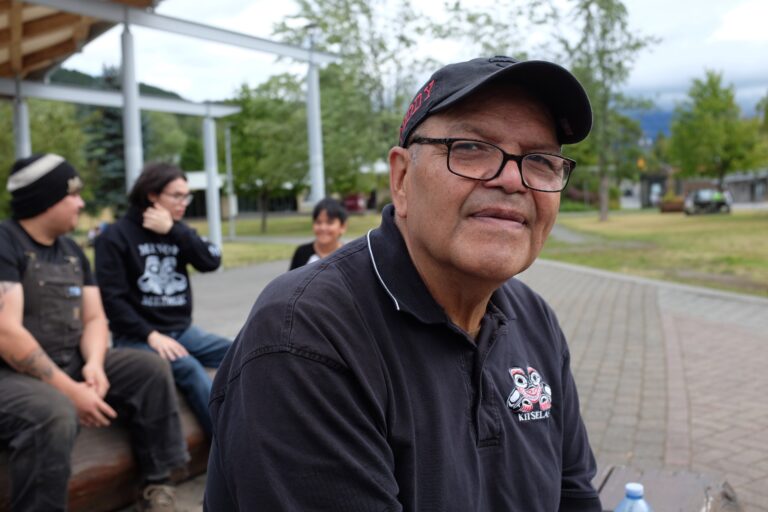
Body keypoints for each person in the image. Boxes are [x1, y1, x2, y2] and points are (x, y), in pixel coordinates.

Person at [205, 56, 602, 511]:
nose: (512, 179)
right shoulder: (305, 336)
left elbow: (575, 496)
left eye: (541, 160)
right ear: (402, 179)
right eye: (471, 148)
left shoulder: (533, 319)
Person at [0, 154, 189, 512]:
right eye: (73, 194)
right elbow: (6, 332)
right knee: (53, 411)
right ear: (46, 199)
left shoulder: (71, 250)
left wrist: (96, 366)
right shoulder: (4, 243)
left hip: (69, 361)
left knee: (148, 369)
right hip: (9, 375)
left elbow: (95, 319)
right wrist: (70, 391)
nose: (82, 203)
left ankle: (156, 484)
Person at [94, 162, 231, 438]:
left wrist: (175, 230)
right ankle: (229, 449)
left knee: (239, 352)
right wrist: (151, 335)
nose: (184, 203)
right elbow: (112, 301)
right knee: (190, 369)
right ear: (152, 195)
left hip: (183, 331)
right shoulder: (115, 237)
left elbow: (211, 261)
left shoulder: (176, 231)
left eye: (187, 196)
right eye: (177, 196)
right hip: (138, 338)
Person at [289, 197, 348, 270]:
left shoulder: (348, 256)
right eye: (318, 222)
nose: (322, 228)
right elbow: (291, 280)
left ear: (342, 227)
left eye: (329, 223)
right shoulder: (301, 253)